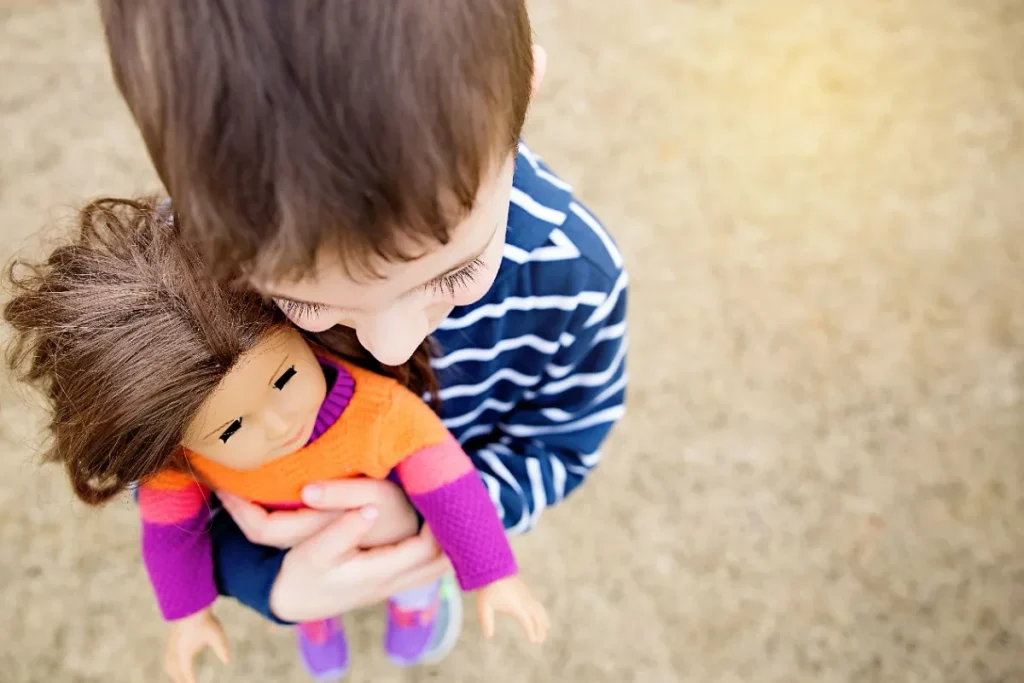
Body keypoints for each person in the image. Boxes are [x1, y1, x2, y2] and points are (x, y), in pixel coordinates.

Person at [97, 0, 628, 675]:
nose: (391, 346)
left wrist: (434, 522)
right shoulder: (195, 281)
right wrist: (271, 582)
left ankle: (417, 595)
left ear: (525, 94)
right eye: (303, 301)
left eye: (458, 270)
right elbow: (162, 458)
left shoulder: (572, 276)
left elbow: (563, 438)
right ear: (192, 197)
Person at [3, 198, 548, 683]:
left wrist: (492, 573)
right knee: (313, 595)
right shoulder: (180, 462)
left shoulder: (380, 411)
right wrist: (189, 615)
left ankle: (416, 603)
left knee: (412, 573)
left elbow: (449, 483)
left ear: (296, 327)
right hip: (292, 555)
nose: (278, 423)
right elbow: (171, 537)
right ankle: (317, 620)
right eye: (231, 429)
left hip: (391, 533)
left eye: (286, 376)